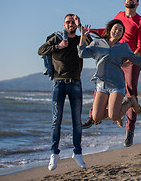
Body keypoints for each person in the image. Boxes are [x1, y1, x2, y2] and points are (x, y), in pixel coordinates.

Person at [82, 0, 141, 147]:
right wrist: (91, 32)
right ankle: (93, 117)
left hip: (129, 60)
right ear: (124, 1)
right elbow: (109, 32)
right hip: (114, 59)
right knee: (100, 82)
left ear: (137, 3)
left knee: (130, 92)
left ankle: (129, 131)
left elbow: (140, 47)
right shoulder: (119, 15)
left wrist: (129, 59)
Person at [78, 20, 141, 133]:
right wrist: (82, 37)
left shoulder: (123, 47)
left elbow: (136, 59)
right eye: (115, 28)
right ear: (110, 29)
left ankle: (130, 102)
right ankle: (117, 111)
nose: (117, 31)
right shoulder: (98, 44)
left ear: (122, 34)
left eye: (120, 30)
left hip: (117, 85)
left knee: (113, 116)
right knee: (96, 117)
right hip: (101, 84)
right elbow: (81, 53)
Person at [38, 14, 91, 171]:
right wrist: (58, 46)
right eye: (68, 22)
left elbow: (90, 44)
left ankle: (78, 153)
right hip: (58, 84)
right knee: (56, 121)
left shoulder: (80, 38)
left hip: (75, 83)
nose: (71, 24)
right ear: (64, 24)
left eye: (73, 22)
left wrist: (81, 26)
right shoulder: (56, 37)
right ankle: (54, 154)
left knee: (77, 122)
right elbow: (41, 50)